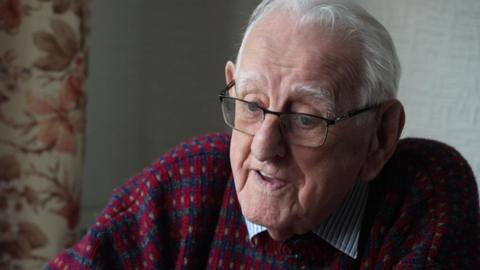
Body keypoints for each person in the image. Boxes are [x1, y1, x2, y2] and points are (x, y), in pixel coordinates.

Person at [47, 0, 479, 269]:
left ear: (380, 137)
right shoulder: (190, 181)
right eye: (252, 106)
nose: (264, 147)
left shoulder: (422, 189)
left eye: (307, 118)